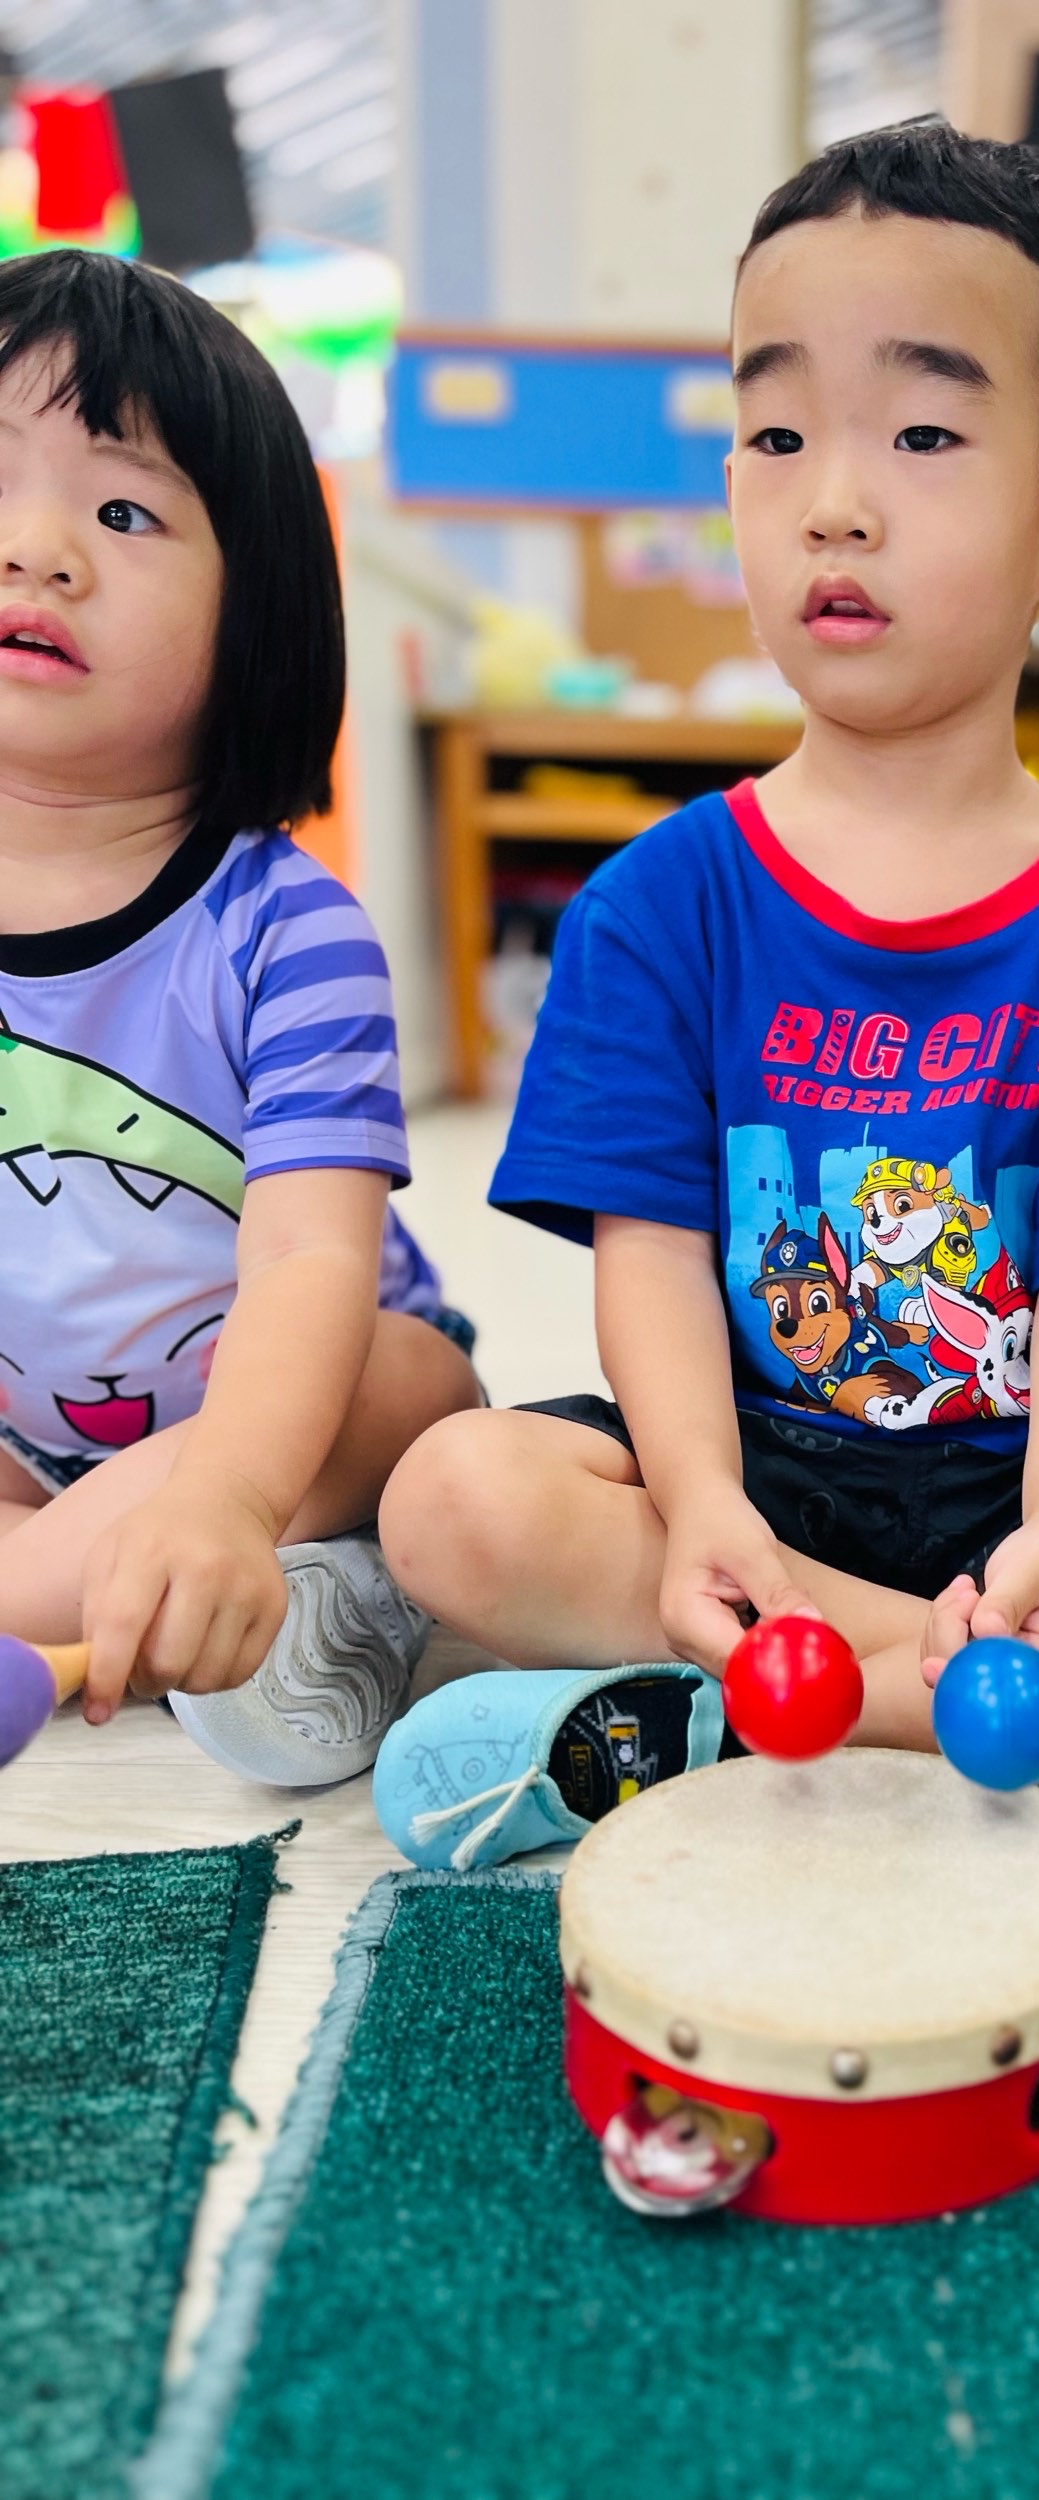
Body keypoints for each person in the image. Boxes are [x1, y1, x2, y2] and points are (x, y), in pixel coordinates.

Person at [374, 119, 1039, 1871]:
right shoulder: (660, 902)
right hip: (758, 1470)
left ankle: (772, 1702)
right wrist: (701, 1497)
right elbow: (649, 1257)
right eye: (778, 435)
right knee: (454, 1501)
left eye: (923, 435)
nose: (833, 501)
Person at [0, 251, 479, 1785]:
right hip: (39, 1433)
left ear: (253, 613)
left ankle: (207, 1563)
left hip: (304, 1405)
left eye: (122, 513)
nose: (35, 550)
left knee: (416, 1391)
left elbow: (305, 1262)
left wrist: (223, 1494)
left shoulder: (283, 930)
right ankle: (157, 1590)